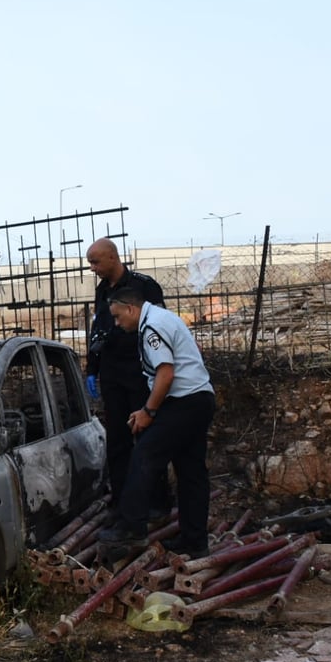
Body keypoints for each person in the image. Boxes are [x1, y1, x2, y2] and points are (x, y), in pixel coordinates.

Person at [97, 286, 216, 556]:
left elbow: (165, 374)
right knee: (191, 472)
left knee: (144, 455)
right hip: (199, 398)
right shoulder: (164, 317)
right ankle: (195, 542)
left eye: (117, 317)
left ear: (131, 309)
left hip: (184, 401)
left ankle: (131, 528)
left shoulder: (151, 327)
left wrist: (148, 412)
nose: (117, 323)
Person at [85, 238, 171, 513]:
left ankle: (157, 502)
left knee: (146, 436)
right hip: (112, 373)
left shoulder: (143, 286)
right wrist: (92, 369)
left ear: (112, 257)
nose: (93, 268)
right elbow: (98, 329)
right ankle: (123, 503)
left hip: (139, 370)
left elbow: (160, 327)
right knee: (118, 441)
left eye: (96, 262)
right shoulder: (101, 291)